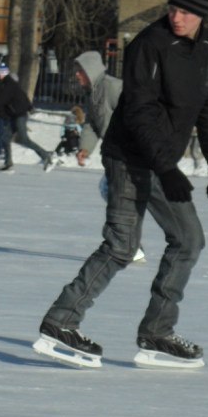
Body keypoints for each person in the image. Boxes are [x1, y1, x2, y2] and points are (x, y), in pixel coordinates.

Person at [35, 0, 208, 368]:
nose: (177, 17)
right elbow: (138, 112)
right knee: (122, 245)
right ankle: (61, 323)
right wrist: (168, 169)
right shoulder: (149, 45)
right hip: (129, 156)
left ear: (203, 15)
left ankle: (157, 332)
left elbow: (207, 109)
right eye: (173, 7)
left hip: (162, 160)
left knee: (188, 240)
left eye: (186, 11)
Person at [73, 51, 146, 263]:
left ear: (91, 70)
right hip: (118, 155)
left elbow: (138, 110)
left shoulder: (112, 87)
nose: (77, 75)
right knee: (112, 193)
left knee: (120, 196)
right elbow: (92, 124)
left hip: (132, 154)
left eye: (80, 71)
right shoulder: (93, 93)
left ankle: (130, 244)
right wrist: (85, 148)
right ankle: (130, 244)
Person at [0, 63, 54, 171]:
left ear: (2, 74)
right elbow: (23, 96)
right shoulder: (9, 83)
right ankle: (8, 162)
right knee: (6, 138)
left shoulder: (8, 85)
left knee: (24, 140)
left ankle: (45, 155)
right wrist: (30, 106)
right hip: (15, 115)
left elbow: (0, 101)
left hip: (19, 115)